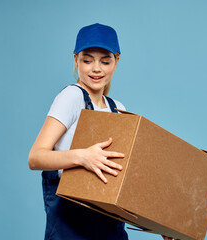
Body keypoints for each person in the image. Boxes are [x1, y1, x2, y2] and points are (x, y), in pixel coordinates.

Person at [28, 23, 129, 240]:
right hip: (72, 226)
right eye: (87, 60)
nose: (96, 69)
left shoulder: (119, 109)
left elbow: (126, 177)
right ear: (75, 59)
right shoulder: (71, 97)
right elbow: (35, 157)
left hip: (111, 227)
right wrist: (82, 156)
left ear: (116, 61)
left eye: (105, 61)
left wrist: (160, 225)